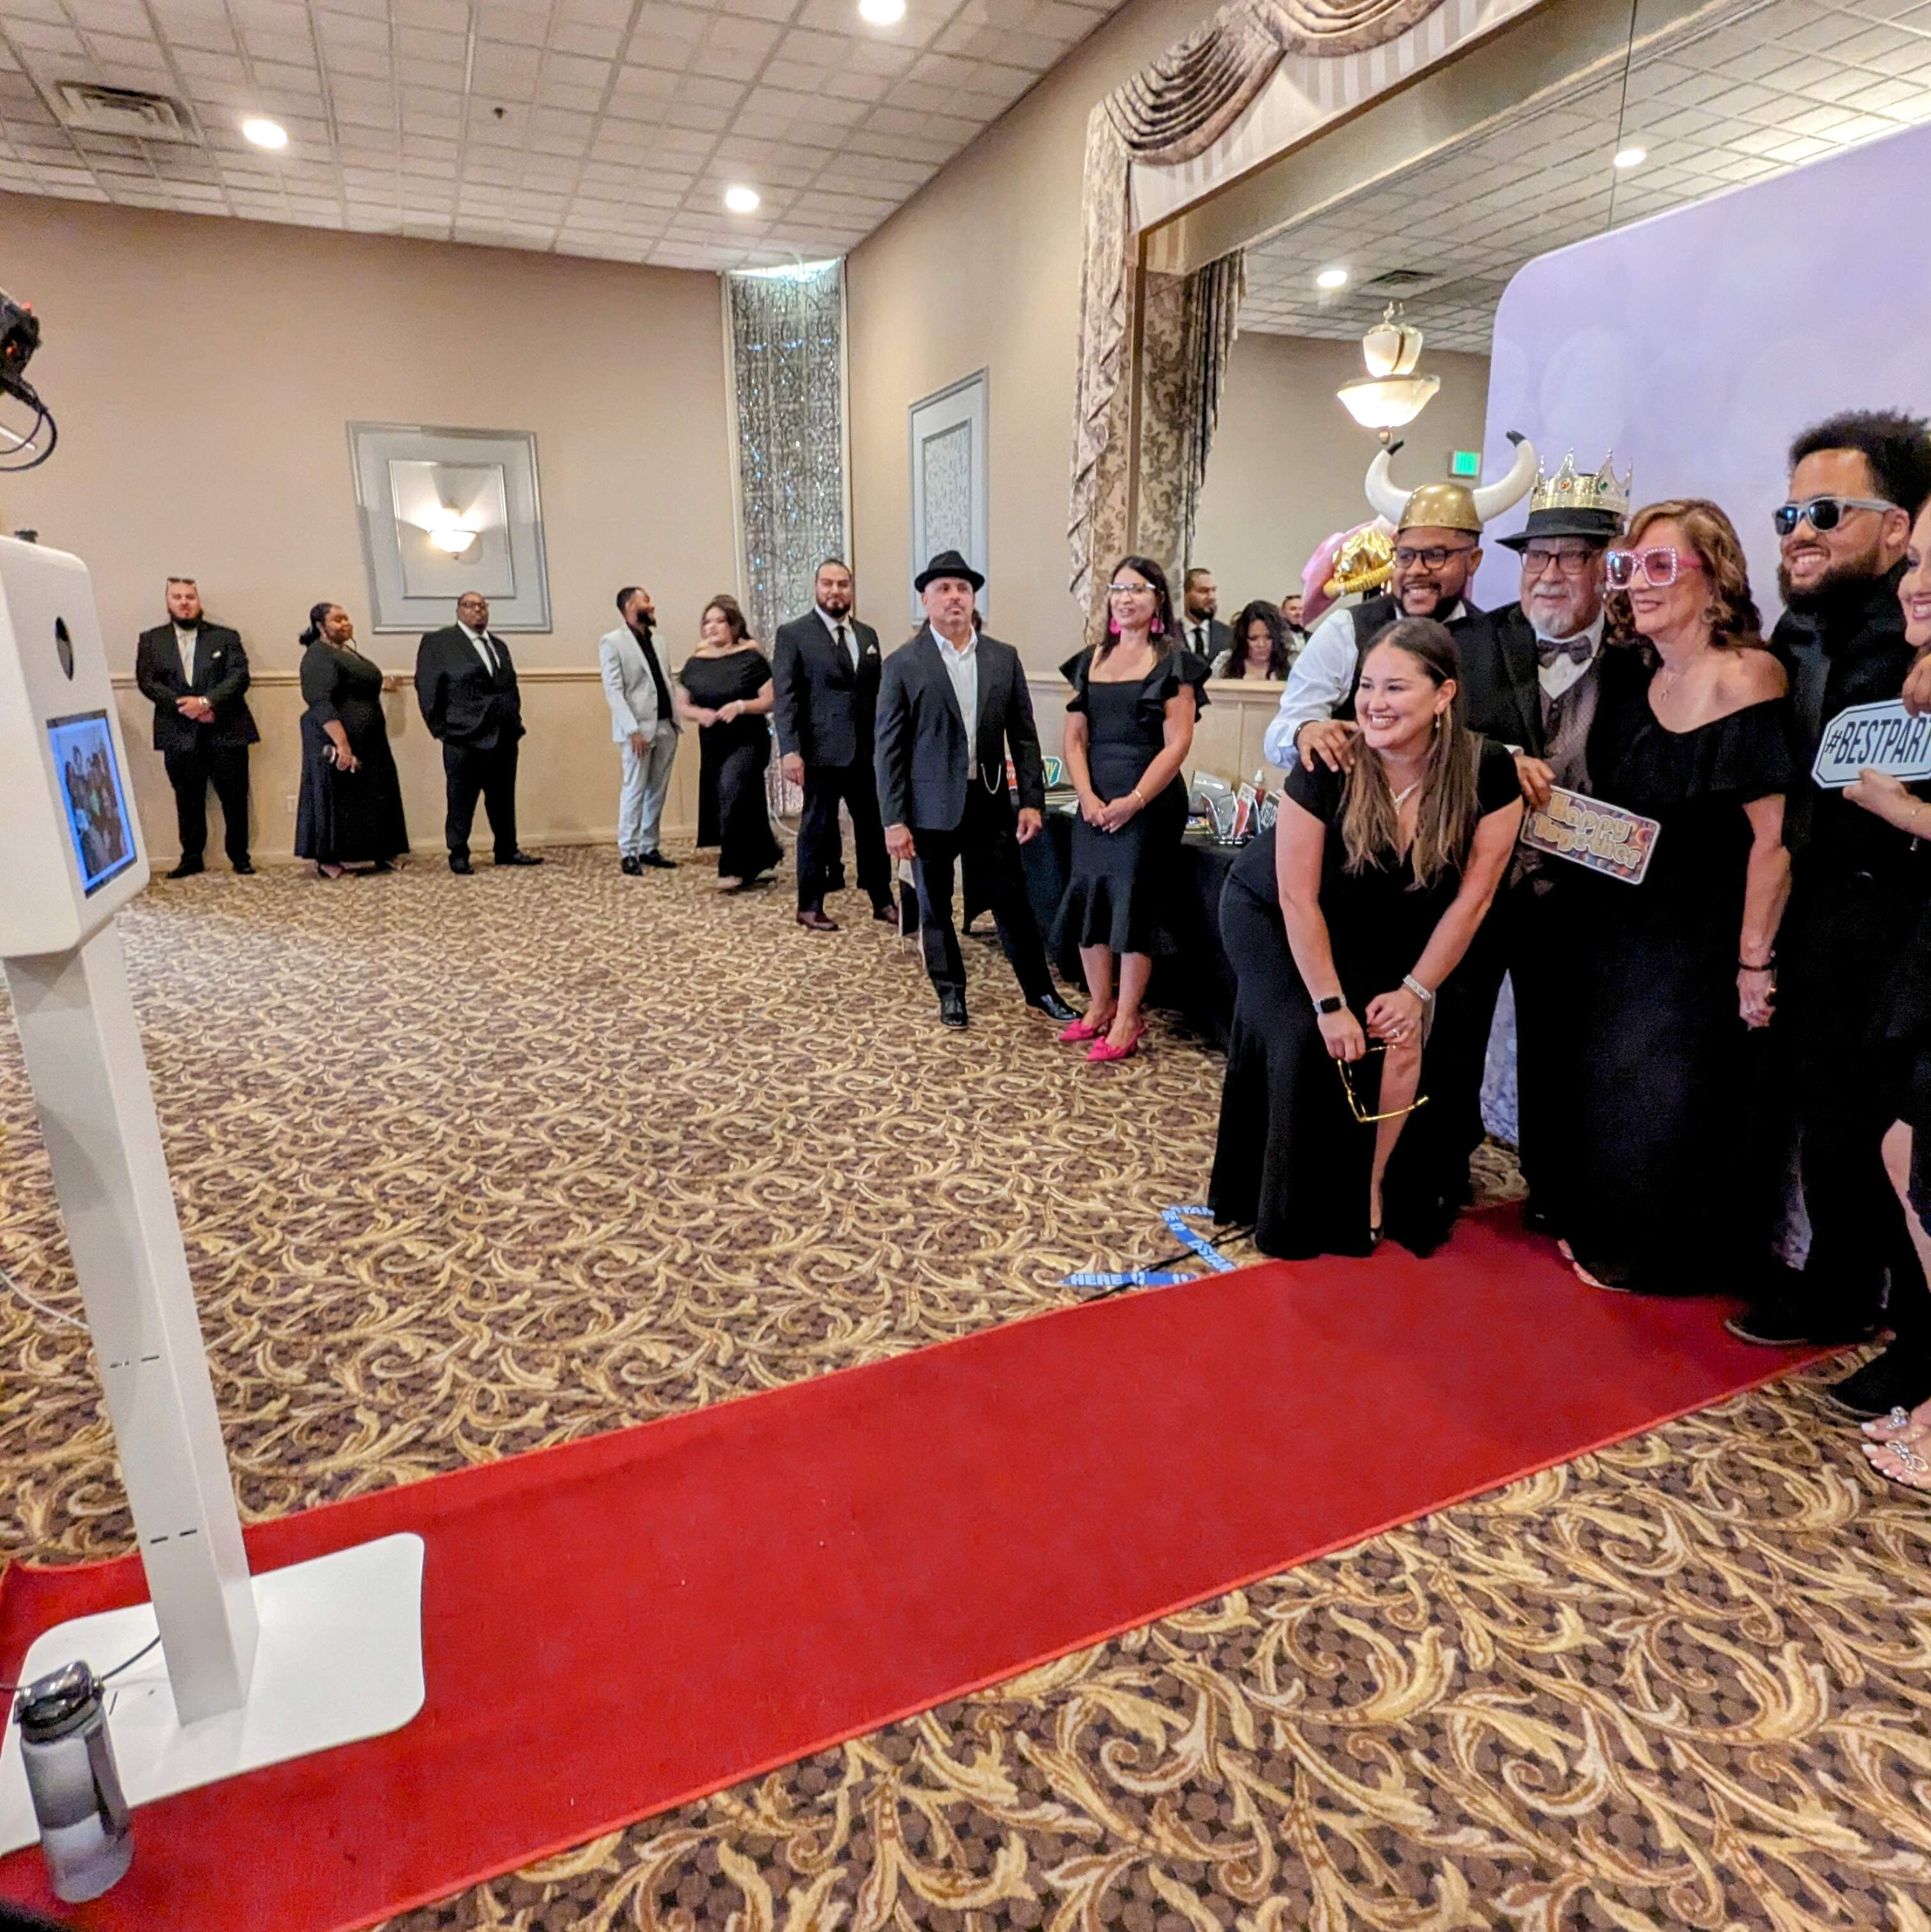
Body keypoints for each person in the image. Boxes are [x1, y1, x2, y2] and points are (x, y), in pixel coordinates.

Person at [1724, 411, 1931, 1421]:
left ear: (1899, 530)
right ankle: (1843, 1290)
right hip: (1817, 915)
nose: (1797, 532)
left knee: (1904, 1135)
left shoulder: (1922, 639)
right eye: (1787, 512)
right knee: (1833, 1119)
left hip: (1909, 920)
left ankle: (1919, 1339)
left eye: (1824, 512)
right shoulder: (1795, 631)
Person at [1208, 618, 1523, 1258]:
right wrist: (1328, 1003)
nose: (1375, 702)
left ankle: (1371, 1187)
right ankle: (1278, 1204)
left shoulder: (1489, 771)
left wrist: (1415, 991)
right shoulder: (1329, 762)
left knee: (1400, 1031)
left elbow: (1476, 898)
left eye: (1396, 687)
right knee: (1307, 1039)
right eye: (1366, 686)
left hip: (1368, 920)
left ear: (1443, 696)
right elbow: (1296, 896)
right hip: (1271, 911)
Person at [1561, 501, 1796, 1295]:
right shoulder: (1640, 680)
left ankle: (1673, 1260)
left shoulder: (1748, 674)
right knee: (1618, 1089)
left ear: (1716, 576)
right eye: (1628, 569)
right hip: (1629, 930)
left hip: (1707, 938)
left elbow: (1775, 837)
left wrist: (1753, 960)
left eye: (1661, 567)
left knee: (1680, 1100)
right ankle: (1616, 1240)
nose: (1639, 585)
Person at [1483, 451, 1646, 1231]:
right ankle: (1439, 1169)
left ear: (1607, 569)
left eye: (1571, 558)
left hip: (1585, 894)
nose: (1548, 573)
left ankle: (1557, 1184)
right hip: (1482, 883)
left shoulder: (1642, 660)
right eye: (1537, 556)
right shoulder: (1483, 645)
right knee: (1450, 1025)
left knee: (1565, 1043)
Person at [874, 549, 1079, 1030]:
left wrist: (1031, 801)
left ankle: (1041, 992)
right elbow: (889, 750)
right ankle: (951, 993)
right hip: (929, 809)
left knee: (1012, 901)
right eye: (943, 589)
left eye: (963, 589)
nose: (954, 598)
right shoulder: (902, 664)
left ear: (973, 599)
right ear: (926, 600)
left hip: (989, 804)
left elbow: (1024, 735)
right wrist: (894, 819)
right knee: (935, 904)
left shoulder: (1002, 657)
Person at [1263, 437, 1540, 774]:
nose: (1417, 570)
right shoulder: (1347, 631)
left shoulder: (1493, 641)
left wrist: (1511, 760)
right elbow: (1281, 730)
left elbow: (1490, 736)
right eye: (1406, 556)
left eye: (1436, 555)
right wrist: (1305, 731)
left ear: (1474, 561)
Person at [1055, 556, 1208, 1061]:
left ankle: (1128, 1016)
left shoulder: (1175, 663)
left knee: (1134, 905)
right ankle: (1098, 1006)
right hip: (1094, 798)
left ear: (1158, 599)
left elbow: (1177, 744)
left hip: (1150, 800)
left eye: (1137, 589)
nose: (1125, 597)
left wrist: (1134, 801)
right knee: (1089, 899)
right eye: (1118, 588)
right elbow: (1074, 740)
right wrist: (1087, 797)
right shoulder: (1090, 658)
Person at [773, 558, 892, 932]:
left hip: (865, 752)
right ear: (816, 587)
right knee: (817, 829)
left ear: (851, 590)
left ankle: (883, 900)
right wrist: (789, 751)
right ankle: (809, 906)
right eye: (828, 584)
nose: (835, 591)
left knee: (874, 828)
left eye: (842, 584)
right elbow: (786, 697)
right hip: (819, 753)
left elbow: (877, 694)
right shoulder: (793, 634)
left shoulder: (868, 635)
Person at [133, 577, 259, 878]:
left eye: (190, 597)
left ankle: (240, 855)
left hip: (226, 729)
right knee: (187, 797)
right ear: (168, 603)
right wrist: (186, 707)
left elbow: (239, 677)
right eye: (177, 597)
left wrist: (206, 703)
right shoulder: (151, 640)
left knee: (235, 795)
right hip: (178, 731)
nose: (185, 603)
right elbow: (147, 682)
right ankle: (191, 857)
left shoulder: (226, 637)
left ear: (199, 601)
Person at [414, 589, 541, 874]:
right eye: (471, 606)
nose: (478, 611)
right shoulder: (439, 643)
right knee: (461, 798)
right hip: (463, 737)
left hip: (504, 735)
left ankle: (507, 848)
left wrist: (514, 718)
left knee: (503, 796)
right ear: (458, 610)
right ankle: (459, 852)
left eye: (483, 606)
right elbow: (427, 689)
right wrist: (441, 730)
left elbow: (509, 687)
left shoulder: (498, 645)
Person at [674, 594, 783, 892]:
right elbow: (681, 704)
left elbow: (771, 699)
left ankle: (732, 866)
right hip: (714, 741)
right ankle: (761, 857)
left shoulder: (751, 658)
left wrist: (741, 706)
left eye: (719, 621)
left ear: (734, 625)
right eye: (707, 622)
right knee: (741, 799)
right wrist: (699, 714)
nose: (712, 627)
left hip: (748, 739)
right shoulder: (696, 662)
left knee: (733, 790)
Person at [294, 603, 409, 878]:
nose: (345, 624)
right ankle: (328, 861)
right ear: (321, 626)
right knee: (336, 797)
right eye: (337, 620)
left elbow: (354, 684)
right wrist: (342, 745)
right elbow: (321, 701)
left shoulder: (345, 652)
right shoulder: (317, 656)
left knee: (375, 792)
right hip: (334, 736)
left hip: (370, 739)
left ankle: (381, 851)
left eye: (347, 618)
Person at [599, 585, 679, 874]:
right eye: (646, 600)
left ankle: (649, 846)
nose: (652, 605)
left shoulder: (659, 641)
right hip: (637, 730)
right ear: (630, 606)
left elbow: (666, 681)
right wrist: (632, 730)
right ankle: (628, 851)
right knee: (634, 789)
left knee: (657, 790)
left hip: (665, 725)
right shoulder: (612, 642)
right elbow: (614, 691)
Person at [1211, 601, 1294, 680]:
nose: (1261, 645)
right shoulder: (1224, 663)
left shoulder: (1292, 663)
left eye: (1269, 637)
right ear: (1243, 639)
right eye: (1253, 639)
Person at [1179, 568, 1231, 663]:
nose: (1212, 597)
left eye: (1213, 590)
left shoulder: (1228, 635)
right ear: (1185, 594)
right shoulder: (1168, 635)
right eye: (1203, 591)